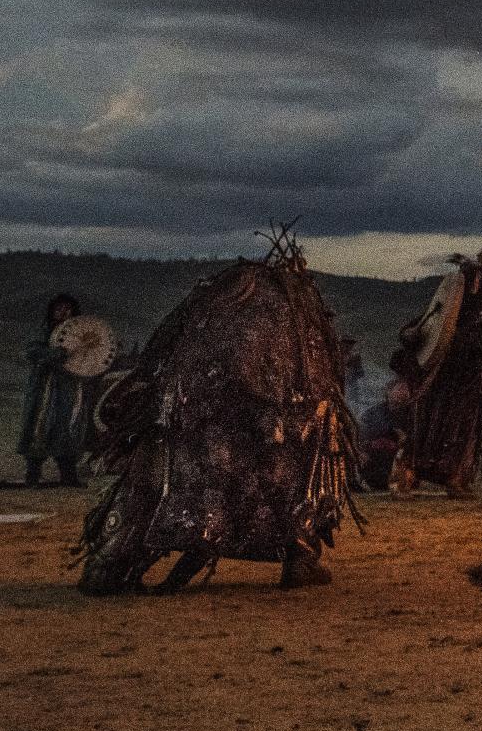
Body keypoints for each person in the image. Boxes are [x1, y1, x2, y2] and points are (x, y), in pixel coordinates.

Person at [78, 240, 356, 593]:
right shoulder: (291, 330)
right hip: (250, 425)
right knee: (288, 478)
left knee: (175, 487)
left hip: (204, 421)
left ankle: (113, 564)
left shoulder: (222, 321)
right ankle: (298, 557)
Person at [392, 253, 482, 495]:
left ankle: (456, 480)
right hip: (437, 381)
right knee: (422, 429)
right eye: (470, 278)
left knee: (461, 434)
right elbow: (415, 331)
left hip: (466, 384)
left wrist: (462, 342)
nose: (474, 284)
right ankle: (408, 477)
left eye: (478, 278)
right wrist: (411, 335)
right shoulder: (444, 307)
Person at [18, 293, 89, 487]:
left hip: (69, 388)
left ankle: (68, 476)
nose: (64, 313)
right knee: (39, 427)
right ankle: (32, 477)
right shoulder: (44, 331)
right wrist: (55, 354)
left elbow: (88, 357)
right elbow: (31, 351)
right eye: (59, 309)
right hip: (46, 389)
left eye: (68, 309)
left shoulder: (79, 334)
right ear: (52, 312)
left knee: (68, 428)